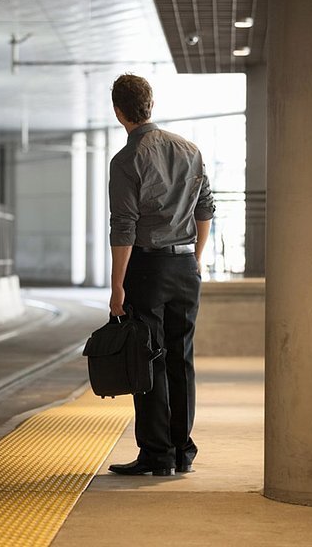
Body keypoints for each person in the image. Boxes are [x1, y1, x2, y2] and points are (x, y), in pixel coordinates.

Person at [108, 73, 215, 476]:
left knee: (147, 358)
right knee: (180, 358)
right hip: (186, 265)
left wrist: (118, 285)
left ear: (119, 112)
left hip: (147, 267)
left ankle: (157, 455)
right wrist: (197, 257)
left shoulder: (126, 159)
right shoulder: (190, 149)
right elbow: (205, 209)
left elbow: (124, 226)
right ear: (150, 104)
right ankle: (182, 451)